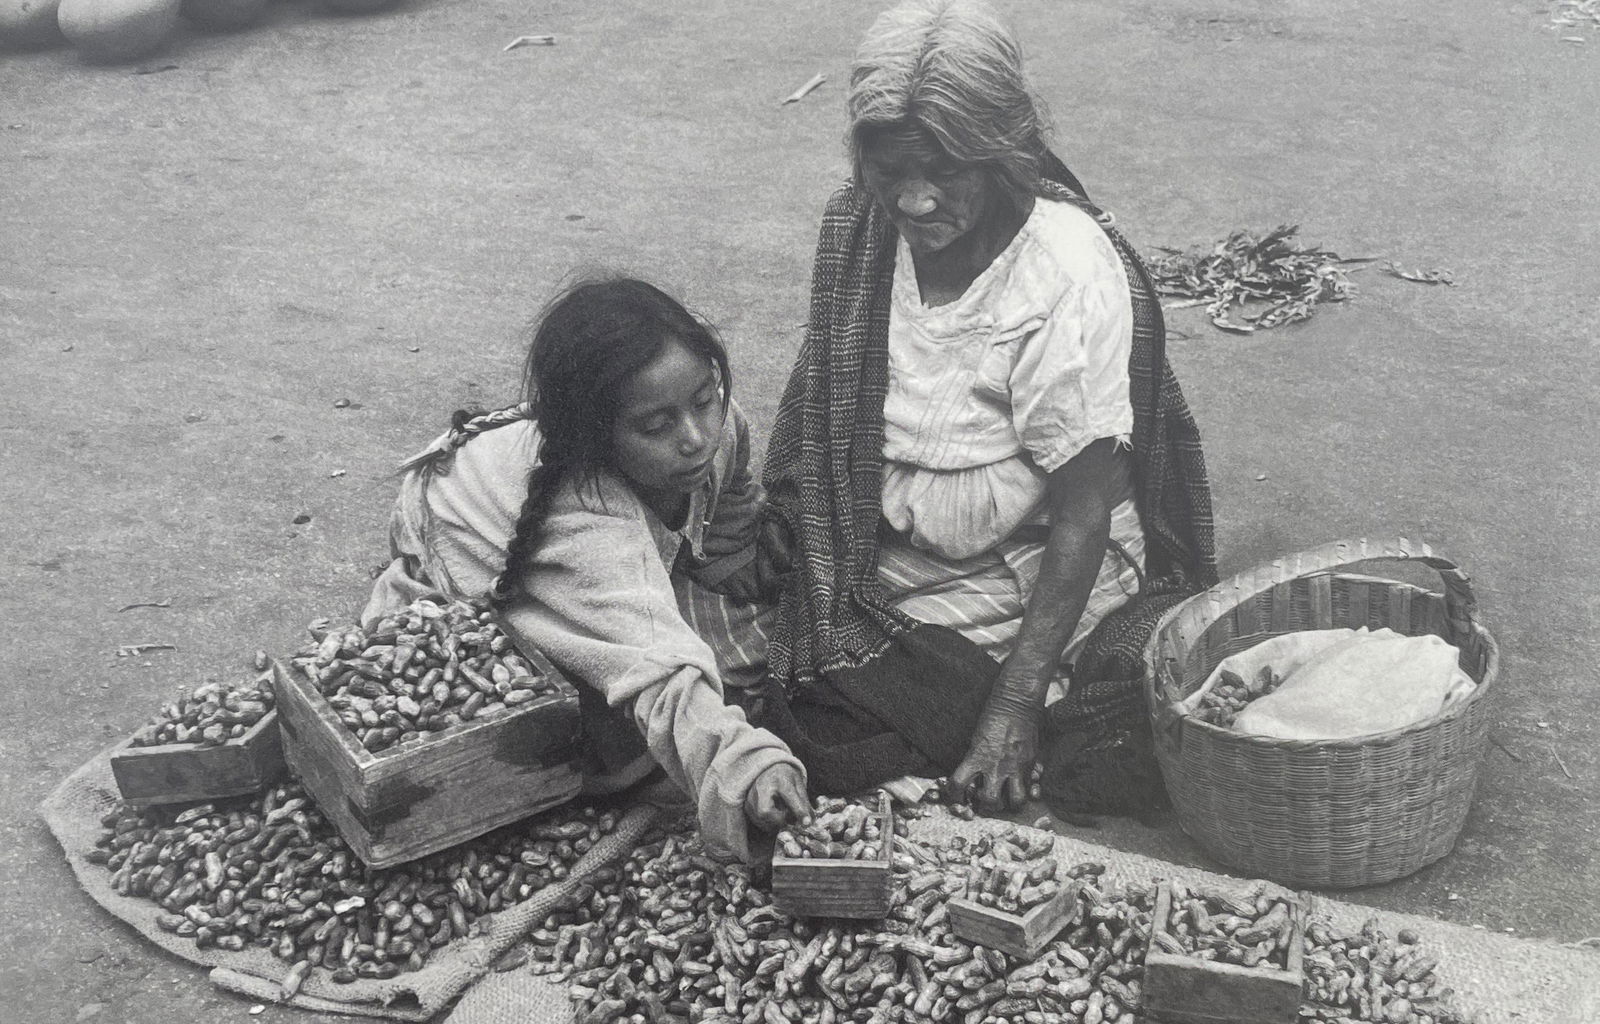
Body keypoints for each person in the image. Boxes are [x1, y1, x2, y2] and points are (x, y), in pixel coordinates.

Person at [726, 0, 1218, 813]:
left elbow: (1081, 518)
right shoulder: (859, 228)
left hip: (1028, 559)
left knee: (843, 729)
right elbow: (821, 391)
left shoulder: (1061, 272)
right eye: (891, 173)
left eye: (945, 172)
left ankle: (1036, 686)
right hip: (883, 541)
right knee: (720, 636)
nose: (915, 203)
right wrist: (794, 519)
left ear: (1003, 152)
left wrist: (1013, 708)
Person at [361, 276, 809, 862]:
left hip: (596, 551)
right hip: (468, 557)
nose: (696, 438)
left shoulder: (715, 432)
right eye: (655, 426)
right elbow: (656, 665)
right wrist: (746, 764)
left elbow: (732, 489)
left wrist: (729, 554)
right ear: (595, 436)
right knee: (598, 743)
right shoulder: (588, 517)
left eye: (705, 399)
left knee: (760, 637)